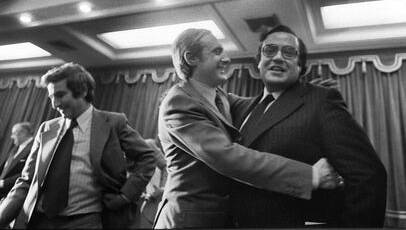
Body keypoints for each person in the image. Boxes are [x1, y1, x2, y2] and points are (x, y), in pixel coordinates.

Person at [153, 28, 343, 229]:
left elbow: (266, 105)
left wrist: (303, 96)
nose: (226, 59)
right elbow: (229, 158)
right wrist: (310, 176)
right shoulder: (179, 102)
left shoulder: (220, 97)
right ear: (191, 58)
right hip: (186, 221)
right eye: (217, 52)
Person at [229, 25, 387, 227]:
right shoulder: (241, 108)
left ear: (301, 66)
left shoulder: (321, 101)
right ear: (258, 61)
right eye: (269, 50)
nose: (278, 57)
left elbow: (368, 177)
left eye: (289, 52)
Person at [0, 63, 156, 229]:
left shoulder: (113, 123)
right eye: (51, 97)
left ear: (83, 90)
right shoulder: (47, 128)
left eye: (60, 95)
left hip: (86, 222)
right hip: (38, 220)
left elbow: (147, 157)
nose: (55, 104)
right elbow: (26, 181)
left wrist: (125, 196)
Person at [0, 122, 34, 201]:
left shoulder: (34, 148)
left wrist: (2, 183)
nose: (12, 137)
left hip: (14, 194)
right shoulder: (15, 148)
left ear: (23, 132)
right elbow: (5, 167)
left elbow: (28, 173)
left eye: (14, 133)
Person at [133, 138, 167, 229]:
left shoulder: (148, 144)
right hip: (133, 207)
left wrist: (163, 188)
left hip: (153, 204)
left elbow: (166, 167)